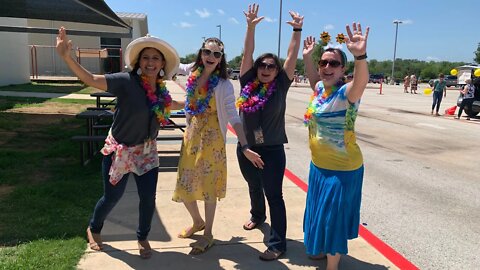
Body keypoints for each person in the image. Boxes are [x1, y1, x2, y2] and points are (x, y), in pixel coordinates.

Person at [56, 27, 184, 259]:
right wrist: (67, 57)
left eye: (156, 58)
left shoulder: (161, 90)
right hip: (120, 151)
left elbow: (170, 104)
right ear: (138, 61)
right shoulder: (126, 81)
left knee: (148, 198)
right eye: (146, 57)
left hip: (146, 152)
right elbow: (91, 79)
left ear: (163, 63)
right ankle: (94, 228)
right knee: (112, 197)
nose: (150, 62)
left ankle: (143, 237)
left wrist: (192, 104)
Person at [172, 37, 261, 255]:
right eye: (207, 52)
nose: (211, 57)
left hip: (212, 142)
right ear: (201, 53)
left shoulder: (224, 85)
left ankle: (208, 233)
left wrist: (245, 145)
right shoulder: (191, 73)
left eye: (216, 54)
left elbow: (233, 116)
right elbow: (171, 62)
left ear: (221, 59)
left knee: (208, 187)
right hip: (191, 138)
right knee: (185, 186)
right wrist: (152, 44)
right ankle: (197, 221)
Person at [236, 3, 303, 261]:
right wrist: (250, 27)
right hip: (246, 148)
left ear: (277, 71)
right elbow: (247, 53)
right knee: (253, 185)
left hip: (272, 150)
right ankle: (257, 216)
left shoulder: (282, 85)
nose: (266, 69)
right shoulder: (246, 83)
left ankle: (278, 244)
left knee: (274, 194)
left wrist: (297, 30)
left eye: (271, 66)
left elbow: (291, 55)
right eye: (262, 65)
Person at [302, 22, 370, 270]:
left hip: (343, 170)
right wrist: (308, 58)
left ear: (343, 69)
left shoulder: (347, 94)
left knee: (333, 219)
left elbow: (362, 81)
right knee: (318, 212)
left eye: (333, 63)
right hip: (319, 167)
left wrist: (360, 55)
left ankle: (333, 266)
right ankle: (322, 250)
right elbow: (313, 79)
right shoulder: (320, 89)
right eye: (324, 63)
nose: (327, 67)